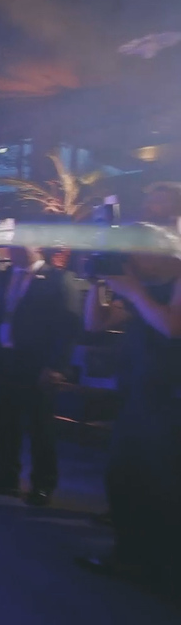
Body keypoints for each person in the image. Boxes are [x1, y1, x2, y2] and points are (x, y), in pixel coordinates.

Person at [77, 221, 181, 592]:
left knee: (164, 484)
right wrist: (98, 283)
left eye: (132, 253)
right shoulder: (145, 287)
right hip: (140, 396)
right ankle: (130, 556)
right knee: (124, 478)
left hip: (171, 402)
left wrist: (134, 290)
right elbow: (95, 323)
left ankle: (162, 566)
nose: (129, 263)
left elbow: (172, 327)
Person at [0, 245, 81, 506]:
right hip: (4, 359)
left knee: (40, 426)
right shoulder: (2, 277)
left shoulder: (59, 279)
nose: (14, 248)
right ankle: (6, 475)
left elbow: (68, 327)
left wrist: (57, 366)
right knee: (3, 421)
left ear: (38, 246)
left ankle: (43, 483)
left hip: (37, 363)